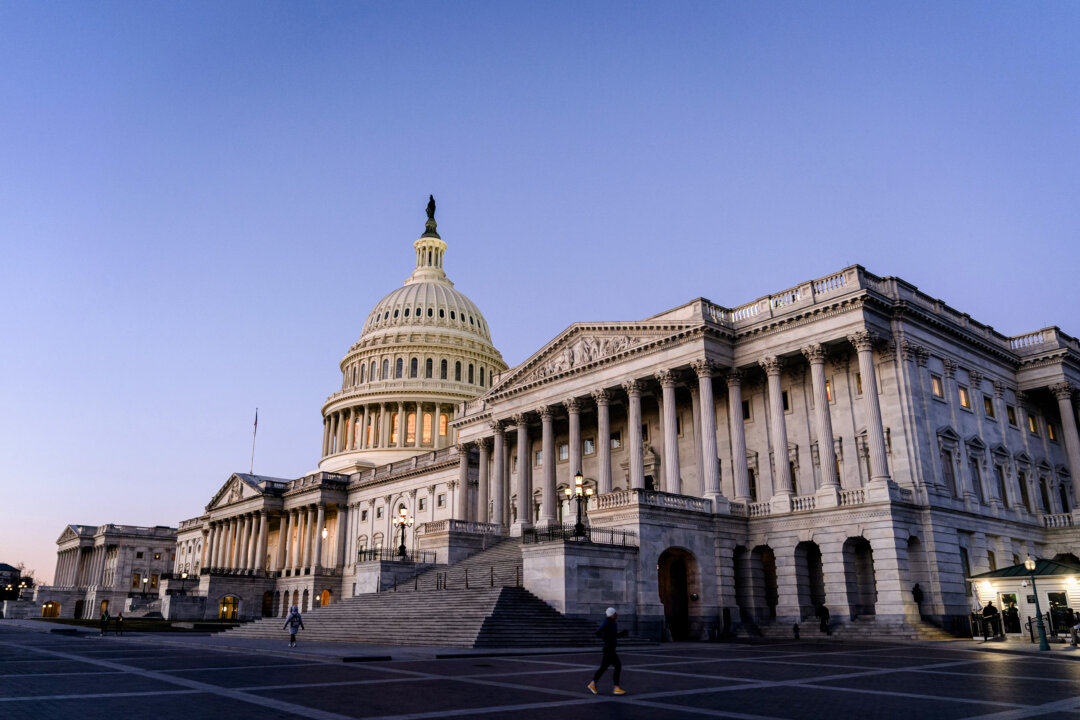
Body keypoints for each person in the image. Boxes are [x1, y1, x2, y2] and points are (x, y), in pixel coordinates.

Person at [588, 607, 628, 696]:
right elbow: (598, 632)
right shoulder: (607, 622)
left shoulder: (612, 622)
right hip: (609, 650)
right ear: (612, 615)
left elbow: (614, 636)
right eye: (615, 613)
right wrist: (605, 639)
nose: (616, 615)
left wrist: (622, 634)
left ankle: (593, 684)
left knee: (604, 668)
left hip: (610, 649)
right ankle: (616, 688)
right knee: (617, 666)